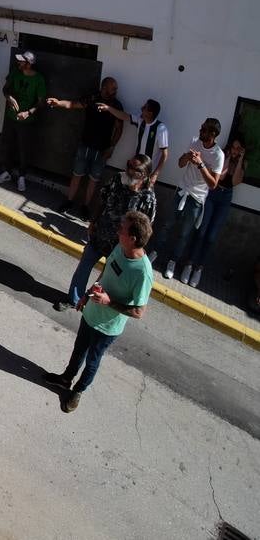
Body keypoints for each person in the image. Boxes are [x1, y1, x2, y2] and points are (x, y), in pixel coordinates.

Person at [43, 211, 154, 414]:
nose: (118, 229)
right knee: (78, 351)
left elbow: (139, 311)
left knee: (92, 360)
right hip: (91, 314)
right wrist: (87, 293)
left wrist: (109, 302)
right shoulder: (120, 248)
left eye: (123, 228)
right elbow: (106, 272)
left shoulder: (143, 273)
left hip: (107, 327)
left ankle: (78, 391)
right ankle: (66, 379)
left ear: (133, 238)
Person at [54, 154, 157, 312]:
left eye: (134, 169)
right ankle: (73, 299)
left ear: (144, 175)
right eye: (128, 165)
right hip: (100, 235)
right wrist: (93, 222)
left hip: (120, 246)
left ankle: (90, 304)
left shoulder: (148, 197)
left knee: (106, 279)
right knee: (83, 267)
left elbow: (145, 229)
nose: (128, 171)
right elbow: (103, 200)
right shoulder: (117, 179)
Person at [46, 77, 125, 217]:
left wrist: (112, 147)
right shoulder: (93, 98)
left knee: (93, 180)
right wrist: (58, 103)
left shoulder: (116, 105)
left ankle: (85, 206)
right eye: (113, 88)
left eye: (116, 89)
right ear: (104, 87)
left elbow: (119, 128)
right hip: (85, 144)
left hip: (102, 150)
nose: (115, 91)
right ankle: (69, 201)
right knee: (77, 175)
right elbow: (72, 104)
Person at [162, 118, 226, 281]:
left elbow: (213, 184)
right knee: (166, 225)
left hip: (197, 199)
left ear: (213, 134)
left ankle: (172, 262)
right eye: (202, 127)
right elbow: (180, 164)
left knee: (184, 235)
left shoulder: (218, 155)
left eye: (204, 129)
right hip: (182, 191)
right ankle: (155, 252)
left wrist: (201, 164)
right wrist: (187, 157)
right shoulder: (194, 141)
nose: (200, 130)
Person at [177, 136, 246, 288]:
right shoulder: (222, 156)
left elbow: (234, 181)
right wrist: (228, 156)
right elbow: (220, 177)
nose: (235, 150)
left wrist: (240, 160)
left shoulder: (242, 163)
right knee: (201, 231)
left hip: (226, 198)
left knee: (211, 236)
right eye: (233, 147)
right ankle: (189, 264)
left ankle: (199, 268)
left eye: (238, 148)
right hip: (212, 194)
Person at [0, 50, 46, 191]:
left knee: (24, 149)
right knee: (8, 145)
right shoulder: (15, 73)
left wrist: (28, 113)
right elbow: (5, 89)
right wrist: (9, 98)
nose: (18, 63)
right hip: (11, 117)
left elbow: (41, 102)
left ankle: (22, 176)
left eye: (21, 61)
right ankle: (7, 171)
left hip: (27, 121)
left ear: (29, 64)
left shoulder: (38, 79)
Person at [104, 98, 170, 189]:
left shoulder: (160, 128)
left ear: (150, 113)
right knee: (128, 192)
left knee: (141, 197)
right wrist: (108, 108)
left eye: (144, 108)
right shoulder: (140, 121)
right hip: (135, 168)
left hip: (147, 173)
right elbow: (124, 116)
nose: (141, 108)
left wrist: (155, 174)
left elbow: (165, 154)